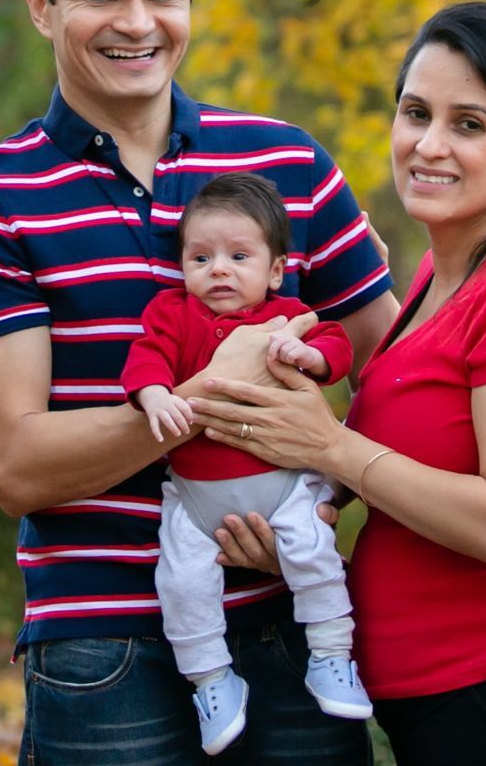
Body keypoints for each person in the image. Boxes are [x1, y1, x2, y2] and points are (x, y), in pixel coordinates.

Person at [0, 0, 397, 764]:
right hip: (104, 643)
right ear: (41, 5)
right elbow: (17, 467)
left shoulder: (289, 164)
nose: (138, 23)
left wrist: (320, 496)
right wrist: (206, 397)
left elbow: (397, 374)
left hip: (291, 626)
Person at [191, 1, 486, 766]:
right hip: (454, 714)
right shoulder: (432, 283)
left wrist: (332, 447)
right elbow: (418, 519)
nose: (429, 144)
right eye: (415, 112)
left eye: (469, 124)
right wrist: (295, 539)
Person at [122, 173, 373, 755]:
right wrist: (156, 395)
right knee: (181, 581)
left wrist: (308, 354)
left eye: (238, 256)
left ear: (276, 269)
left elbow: (338, 346)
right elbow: (145, 360)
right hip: (195, 495)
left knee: (314, 551)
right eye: (201, 257)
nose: (219, 270)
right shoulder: (171, 314)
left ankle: (332, 657)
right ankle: (212, 681)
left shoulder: (286, 316)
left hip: (283, 488)